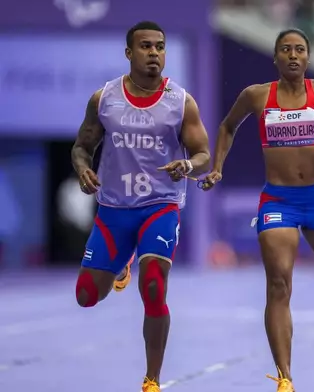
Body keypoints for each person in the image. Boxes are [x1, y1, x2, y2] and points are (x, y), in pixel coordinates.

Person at [202, 28, 314, 392]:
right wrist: (218, 168)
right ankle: (285, 378)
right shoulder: (257, 96)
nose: (293, 56)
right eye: (286, 50)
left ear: (308, 57)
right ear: (275, 58)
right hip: (278, 202)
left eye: (300, 50)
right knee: (278, 283)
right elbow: (227, 127)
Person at [71, 21, 210, 392]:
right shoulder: (105, 99)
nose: (154, 53)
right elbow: (82, 146)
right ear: (129, 53)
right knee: (86, 297)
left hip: (159, 207)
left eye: (160, 47)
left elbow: (203, 153)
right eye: (145, 47)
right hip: (114, 211)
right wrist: (83, 170)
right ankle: (121, 263)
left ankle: (152, 380)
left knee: (153, 286)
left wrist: (189, 165)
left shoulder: (181, 102)